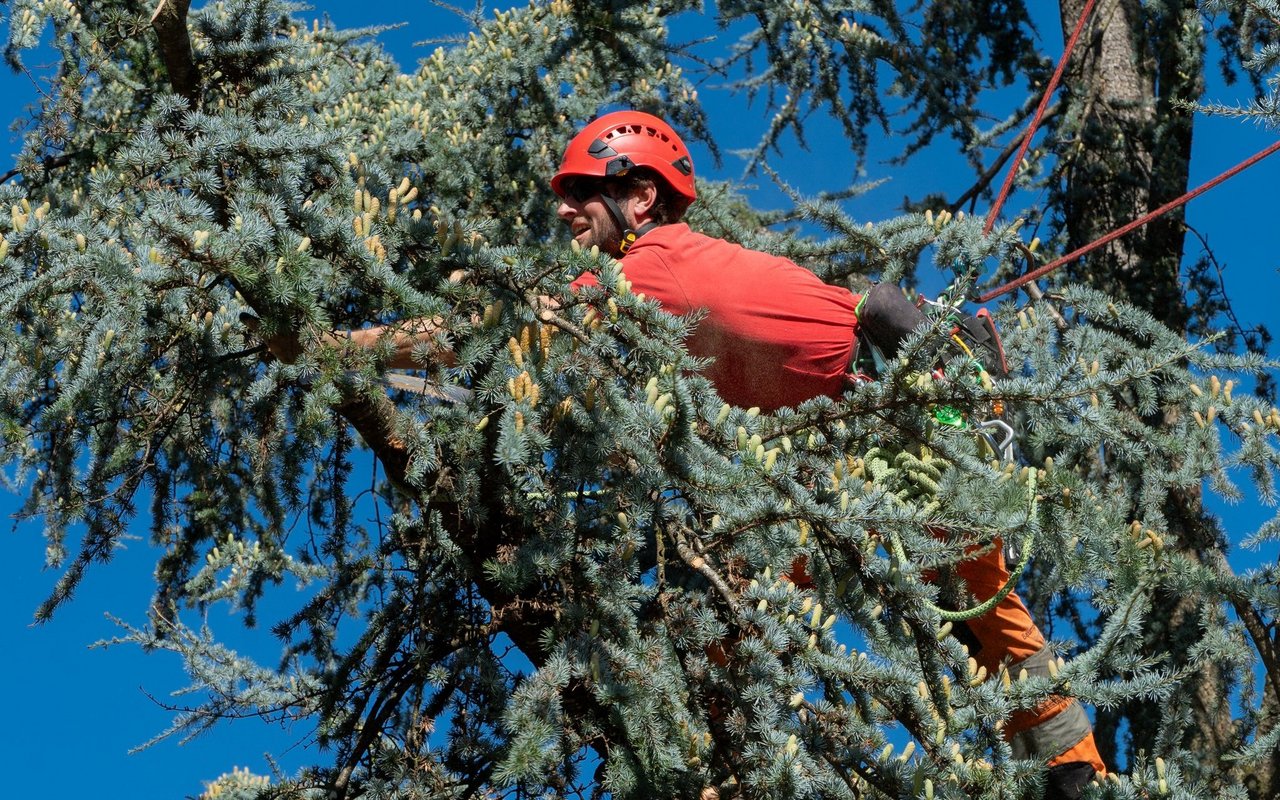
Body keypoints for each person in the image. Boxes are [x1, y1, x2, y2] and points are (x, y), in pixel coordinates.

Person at [282, 110, 1105, 796]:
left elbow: (486, 334)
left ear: (640, 195)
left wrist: (339, 345)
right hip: (837, 458)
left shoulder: (654, 265)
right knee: (741, 612)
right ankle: (1069, 772)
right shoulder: (667, 273)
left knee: (929, 596)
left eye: (582, 194)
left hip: (888, 427)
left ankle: (1072, 772)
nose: (565, 212)